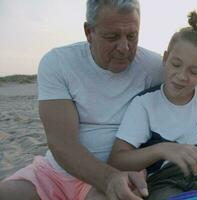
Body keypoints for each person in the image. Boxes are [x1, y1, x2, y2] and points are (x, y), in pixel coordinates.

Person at [0, 0, 163, 199]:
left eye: (132, 36)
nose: (124, 47)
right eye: (112, 37)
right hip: (56, 173)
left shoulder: (155, 68)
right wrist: (108, 178)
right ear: (89, 32)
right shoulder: (59, 63)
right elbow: (62, 143)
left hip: (124, 174)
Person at [108, 11, 197, 200]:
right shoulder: (145, 104)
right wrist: (162, 149)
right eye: (176, 64)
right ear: (165, 58)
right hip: (163, 178)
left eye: (193, 71)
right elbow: (117, 160)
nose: (182, 76)